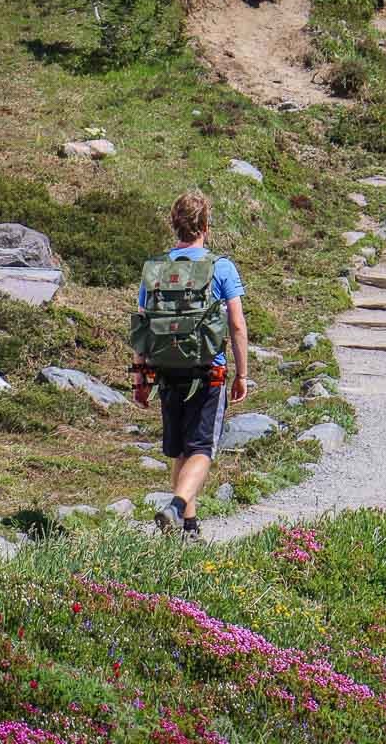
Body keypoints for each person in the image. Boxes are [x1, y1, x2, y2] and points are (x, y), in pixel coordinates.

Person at [133, 191, 249, 543]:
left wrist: (140, 377)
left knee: (182, 449)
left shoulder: (155, 268)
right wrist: (242, 374)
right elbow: (237, 325)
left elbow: (142, 323)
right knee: (202, 449)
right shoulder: (221, 267)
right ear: (205, 227)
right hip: (208, 372)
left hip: (166, 369)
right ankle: (178, 505)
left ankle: (189, 527)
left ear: (174, 224)